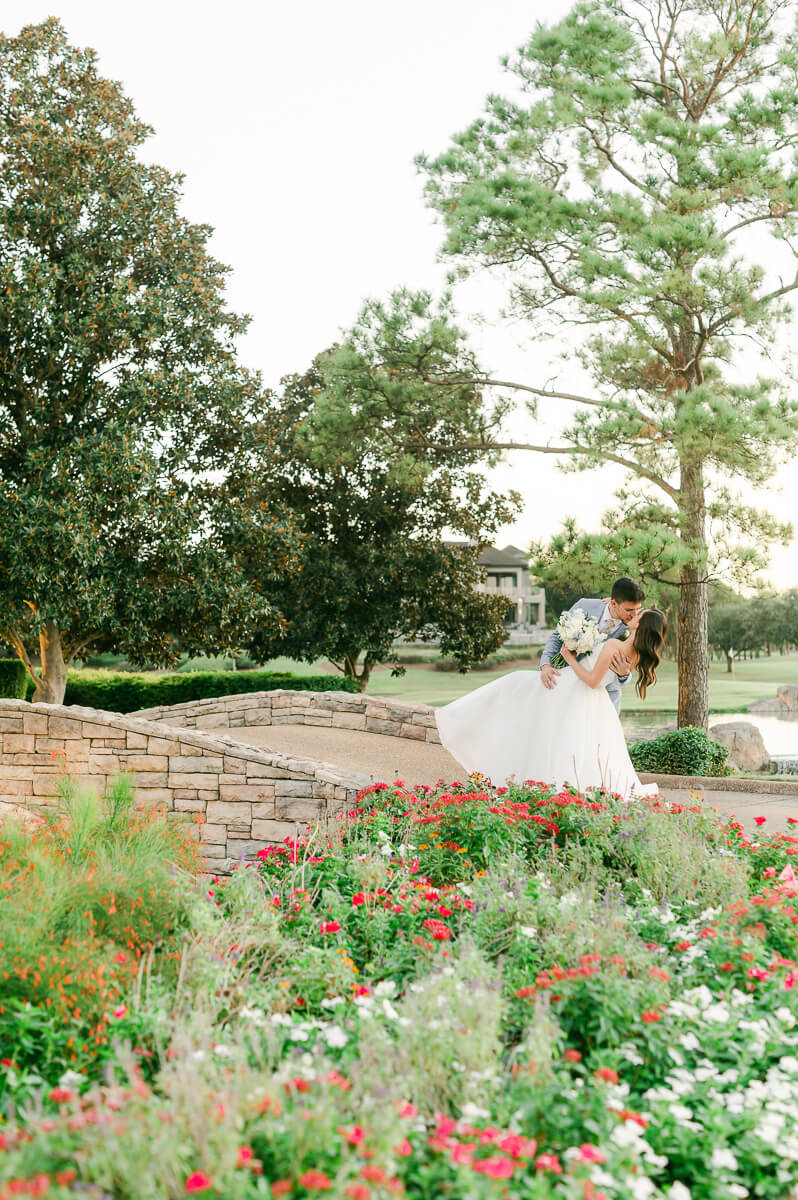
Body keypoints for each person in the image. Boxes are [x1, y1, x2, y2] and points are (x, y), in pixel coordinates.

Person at [435, 607, 668, 796]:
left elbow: (592, 681)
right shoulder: (636, 654)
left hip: (576, 689)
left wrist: (569, 657)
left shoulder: (615, 646)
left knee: (516, 689)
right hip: (594, 702)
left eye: (638, 615)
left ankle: (458, 721)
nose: (633, 615)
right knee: (565, 741)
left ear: (640, 625)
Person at [540, 578, 646, 714]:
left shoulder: (635, 628)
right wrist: (546, 665)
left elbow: (625, 673)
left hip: (604, 700)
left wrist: (623, 676)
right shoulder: (585, 605)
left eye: (638, 609)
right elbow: (557, 637)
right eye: (629, 610)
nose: (634, 615)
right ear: (613, 603)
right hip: (567, 684)